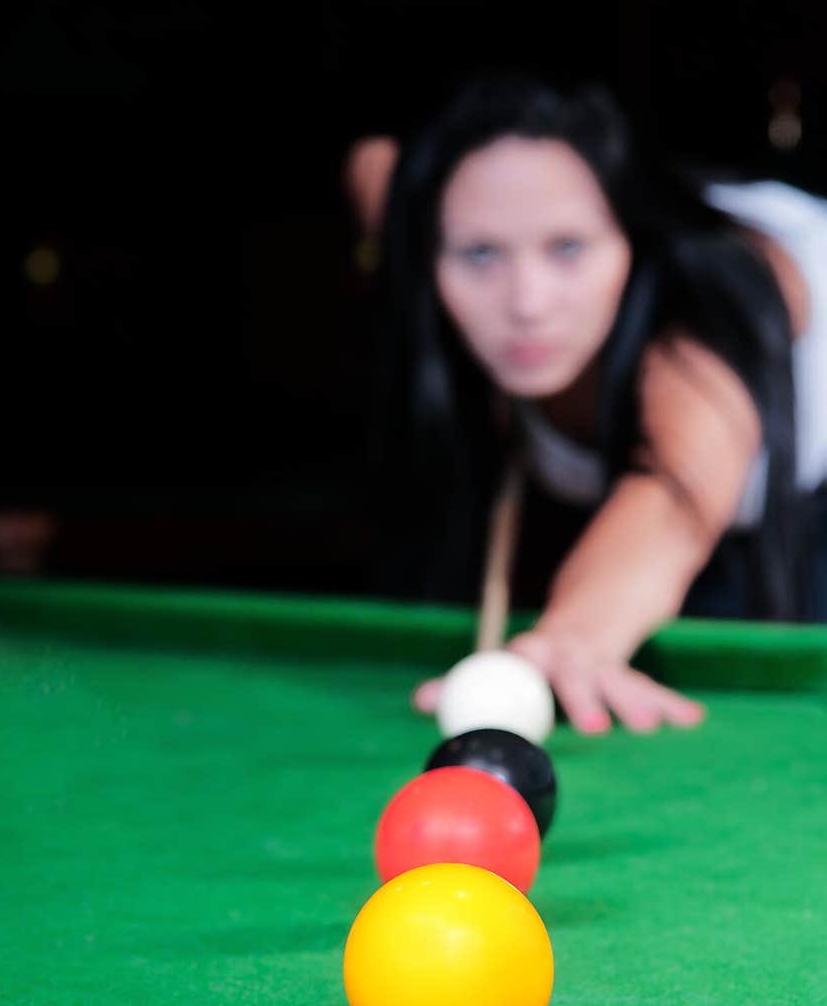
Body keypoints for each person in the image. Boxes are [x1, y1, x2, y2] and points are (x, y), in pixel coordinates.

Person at [347, 73, 827, 734]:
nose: (527, 303)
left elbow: (674, 492)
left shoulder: (709, 304)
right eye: (481, 253)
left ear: (630, 240)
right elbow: (375, 174)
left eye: (568, 248)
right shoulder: (423, 247)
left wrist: (574, 634)